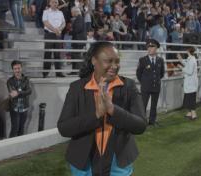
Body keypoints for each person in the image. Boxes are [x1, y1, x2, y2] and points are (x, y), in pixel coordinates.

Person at [57, 41, 147, 175]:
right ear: (94, 60)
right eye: (108, 61)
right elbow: (64, 128)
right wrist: (96, 115)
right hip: (83, 163)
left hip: (118, 162)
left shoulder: (129, 86)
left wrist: (112, 110)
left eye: (117, 61)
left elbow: (140, 125)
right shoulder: (77, 88)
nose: (114, 66)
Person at [136, 39, 165, 125]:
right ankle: (142, 121)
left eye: (152, 47)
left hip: (156, 86)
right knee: (143, 105)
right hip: (146, 87)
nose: (149, 49)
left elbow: (162, 73)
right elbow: (138, 74)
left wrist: (155, 80)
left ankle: (152, 121)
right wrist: (144, 82)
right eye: (148, 47)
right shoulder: (142, 60)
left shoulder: (160, 60)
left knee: (154, 105)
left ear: (156, 48)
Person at [7, 60, 32, 137]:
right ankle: (10, 146)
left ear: (21, 68)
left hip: (24, 108)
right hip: (15, 108)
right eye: (15, 69)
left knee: (21, 129)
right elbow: (13, 94)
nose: (17, 70)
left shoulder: (26, 79)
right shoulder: (10, 81)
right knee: (15, 129)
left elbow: (29, 91)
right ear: (13, 70)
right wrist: (22, 91)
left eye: (18, 68)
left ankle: (19, 147)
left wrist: (18, 92)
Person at [42, 0, 66, 78]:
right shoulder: (46, 12)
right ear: (50, 3)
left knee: (57, 54)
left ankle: (58, 72)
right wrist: (54, 30)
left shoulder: (60, 13)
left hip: (58, 35)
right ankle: (45, 73)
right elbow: (45, 22)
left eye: (56, 2)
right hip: (49, 34)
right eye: (53, 2)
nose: (55, 4)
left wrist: (59, 29)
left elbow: (64, 23)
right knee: (47, 54)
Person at [177, 47, 198, 120]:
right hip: (189, 84)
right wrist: (180, 59)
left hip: (191, 83)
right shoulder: (190, 59)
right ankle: (189, 113)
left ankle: (194, 115)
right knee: (188, 99)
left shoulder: (192, 60)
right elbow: (187, 64)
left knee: (191, 99)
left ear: (188, 51)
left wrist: (181, 68)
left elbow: (189, 71)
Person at [69, 6, 86, 75]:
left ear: (75, 12)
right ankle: (74, 71)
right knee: (74, 55)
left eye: (72, 12)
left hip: (79, 40)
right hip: (77, 40)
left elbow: (78, 29)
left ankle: (80, 70)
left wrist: (70, 32)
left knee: (77, 55)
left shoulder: (79, 18)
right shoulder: (79, 18)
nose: (71, 14)